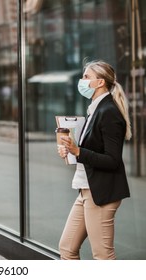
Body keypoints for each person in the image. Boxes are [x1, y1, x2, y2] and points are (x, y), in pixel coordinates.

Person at [57, 60, 132, 260]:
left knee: (103, 256)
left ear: (100, 82)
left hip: (100, 193)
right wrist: (71, 152)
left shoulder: (109, 112)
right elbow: (90, 151)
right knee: (67, 248)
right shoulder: (95, 110)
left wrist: (78, 151)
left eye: (86, 77)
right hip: (86, 190)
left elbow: (112, 160)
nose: (82, 81)